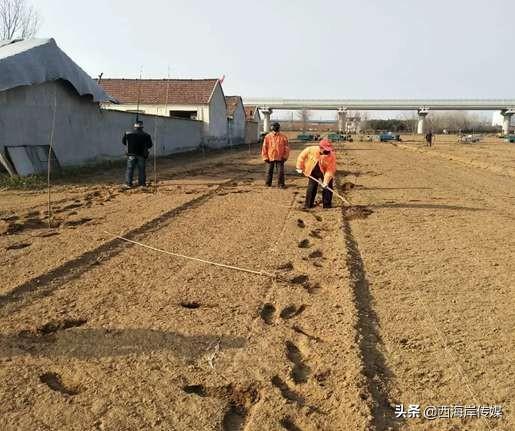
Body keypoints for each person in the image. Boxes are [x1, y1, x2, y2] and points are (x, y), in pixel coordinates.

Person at [296, 137, 336, 209]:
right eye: (326, 150)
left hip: (325, 172)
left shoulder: (331, 156)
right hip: (312, 169)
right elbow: (301, 157)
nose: (328, 152)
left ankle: (327, 205)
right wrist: (299, 167)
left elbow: (330, 170)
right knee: (312, 186)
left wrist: (326, 182)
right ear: (321, 148)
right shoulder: (310, 150)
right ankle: (308, 205)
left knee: (328, 186)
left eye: (329, 150)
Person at [122, 120, 153, 187]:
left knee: (130, 169)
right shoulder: (146, 135)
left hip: (131, 155)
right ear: (142, 127)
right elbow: (150, 145)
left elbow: (124, 142)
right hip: (141, 155)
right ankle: (142, 184)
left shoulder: (127, 133)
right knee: (141, 170)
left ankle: (128, 184)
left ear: (134, 126)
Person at [261, 122, 290, 188]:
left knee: (280, 172)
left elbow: (287, 148)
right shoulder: (268, 137)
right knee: (269, 171)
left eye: (277, 127)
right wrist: (265, 157)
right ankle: (268, 184)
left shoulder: (283, 137)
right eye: (275, 127)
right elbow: (264, 147)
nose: (276, 128)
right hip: (270, 157)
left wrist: (285, 156)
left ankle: (281, 184)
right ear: (272, 128)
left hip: (280, 157)